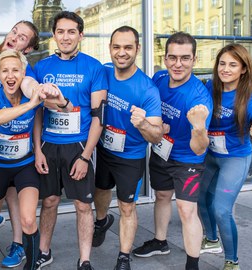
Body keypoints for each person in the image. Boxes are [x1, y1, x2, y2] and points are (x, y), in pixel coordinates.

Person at [132, 32, 213, 270]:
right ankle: (160, 241)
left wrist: (198, 128)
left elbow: (200, 148)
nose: (178, 64)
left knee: (187, 210)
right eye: (173, 57)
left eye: (185, 58)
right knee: (162, 196)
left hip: (187, 160)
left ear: (194, 60)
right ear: (165, 58)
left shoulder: (199, 97)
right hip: (161, 151)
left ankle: (192, 264)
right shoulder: (158, 78)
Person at [33, 11, 108, 270]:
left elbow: (99, 117)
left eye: (71, 31)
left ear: (81, 35)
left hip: (78, 145)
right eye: (61, 32)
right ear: (54, 35)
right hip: (49, 145)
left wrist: (86, 156)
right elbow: (37, 113)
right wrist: (37, 150)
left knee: (82, 205)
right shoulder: (41, 67)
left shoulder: (94, 67)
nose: (65, 37)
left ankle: (84, 259)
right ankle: (43, 251)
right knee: (50, 201)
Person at [0, 49, 64, 270]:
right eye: (5, 71)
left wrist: (58, 97)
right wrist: (30, 103)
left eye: (15, 70)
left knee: (28, 220)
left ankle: (32, 265)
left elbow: (55, 110)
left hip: (23, 165)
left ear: (23, 73)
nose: (10, 76)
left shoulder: (31, 93)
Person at [198, 44, 252, 270]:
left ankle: (232, 261)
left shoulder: (248, 97)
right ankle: (211, 240)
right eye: (222, 63)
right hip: (211, 155)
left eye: (233, 65)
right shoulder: (210, 86)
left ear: (243, 69)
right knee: (202, 200)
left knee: (221, 210)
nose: (225, 69)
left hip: (235, 158)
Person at [92, 26, 163, 270]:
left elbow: (155, 137)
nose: (121, 53)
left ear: (137, 49)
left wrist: (143, 123)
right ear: (110, 48)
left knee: (126, 205)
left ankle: (123, 257)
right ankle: (101, 221)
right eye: (116, 47)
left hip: (130, 157)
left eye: (128, 47)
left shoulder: (147, 89)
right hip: (103, 148)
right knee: (100, 190)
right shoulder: (103, 72)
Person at [0, 20, 44, 268]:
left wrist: (37, 94)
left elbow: (32, 91)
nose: (14, 37)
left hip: (24, 161)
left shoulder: (27, 75)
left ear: (27, 50)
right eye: (14, 32)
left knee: (28, 217)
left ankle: (25, 252)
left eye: (22, 38)